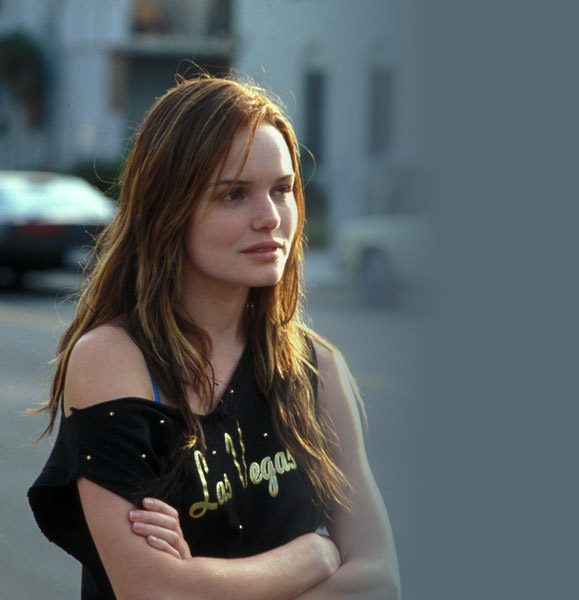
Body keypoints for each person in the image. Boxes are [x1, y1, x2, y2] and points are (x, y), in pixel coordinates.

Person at [27, 75, 400, 600]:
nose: (270, 218)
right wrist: (312, 557)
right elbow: (153, 592)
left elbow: (380, 581)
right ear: (168, 208)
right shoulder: (112, 360)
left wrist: (200, 581)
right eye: (234, 194)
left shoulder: (316, 366)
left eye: (282, 189)